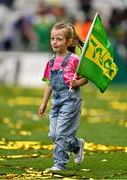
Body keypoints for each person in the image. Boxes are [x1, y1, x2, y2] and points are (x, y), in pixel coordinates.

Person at [38, 22, 88, 171]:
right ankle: (76, 144)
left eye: (59, 39)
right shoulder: (51, 62)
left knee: (61, 133)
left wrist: (77, 82)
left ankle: (60, 164)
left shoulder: (74, 60)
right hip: (56, 101)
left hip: (71, 100)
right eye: (52, 38)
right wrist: (43, 103)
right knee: (54, 134)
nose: (55, 42)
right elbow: (49, 84)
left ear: (69, 41)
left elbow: (85, 79)